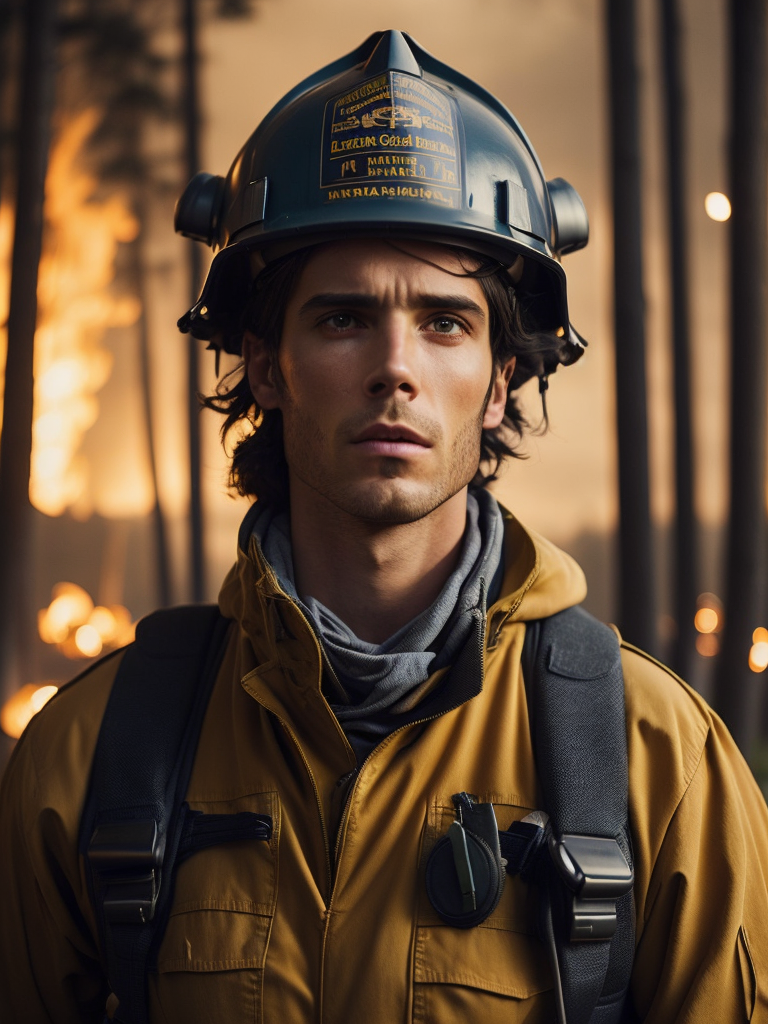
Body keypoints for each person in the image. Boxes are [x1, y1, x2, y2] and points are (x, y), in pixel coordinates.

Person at [1, 29, 767, 1024]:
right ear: (265, 365)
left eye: (446, 320)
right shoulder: (90, 755)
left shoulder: (656, 758)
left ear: (500, 382)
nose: (395, 367)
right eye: (342, 317)